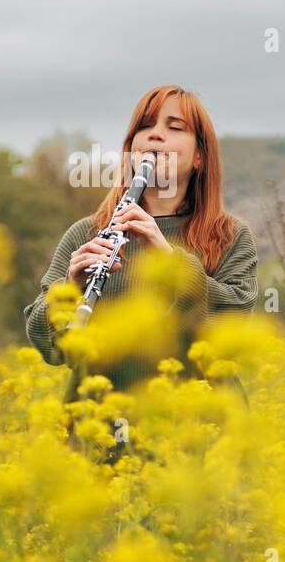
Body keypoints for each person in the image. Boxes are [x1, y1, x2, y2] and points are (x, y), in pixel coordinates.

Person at [24, 85, 260, 404]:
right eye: (144, 126)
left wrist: (173, 263)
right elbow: (50, 349)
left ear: (200, 157)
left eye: (174, 127)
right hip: (101, 429)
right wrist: (69, 291)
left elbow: (232, 325)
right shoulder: (86, 233)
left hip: (201, 430)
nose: (155, 135)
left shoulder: (229, 235)